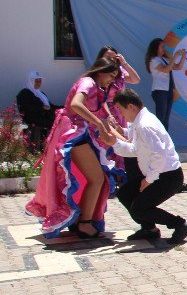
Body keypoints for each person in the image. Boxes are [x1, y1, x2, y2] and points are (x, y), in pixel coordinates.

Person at [26, 59, 123, 238]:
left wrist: (116, 130)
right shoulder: (88, 83)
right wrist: (99, 123)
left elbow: (99, 111)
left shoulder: (96, 86)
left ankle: (82, 220)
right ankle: (85, 223)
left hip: (78, 133)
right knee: (96, 178)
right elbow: (75, 105)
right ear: (101, 71)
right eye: (111, 75)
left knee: (96, 178)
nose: (112, 80)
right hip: (73, 134)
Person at [100, 89, 187, 244]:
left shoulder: (145, 125)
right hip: (158, 174)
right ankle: (149, 229)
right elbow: (135, 149)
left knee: (139, 207)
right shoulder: (139, 123)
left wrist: (149, 180)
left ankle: (180, 224)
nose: (120, 114)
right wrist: (115, 140)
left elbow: (159, 155)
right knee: (125, 194)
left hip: (167, 176)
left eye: (120, 110)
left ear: (131, 107)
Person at [145, 38, 187, 129]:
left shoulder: (164, 60)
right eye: (162, 47)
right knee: (161, 117)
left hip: (168, 91)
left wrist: (183, 56)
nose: (164, 49)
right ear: (156, 48)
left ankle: (165, 139)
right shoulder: (154, 60)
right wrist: (175, 56)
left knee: (166, 119)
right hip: (160, 91)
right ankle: (158, 138)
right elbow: (166, 69)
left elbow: (178, 67)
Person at [17, 71, 56, 152]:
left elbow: (51, 106)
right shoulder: (24, 93)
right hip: (33, 121)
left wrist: (64, 107)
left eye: (40, 81)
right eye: (36, 81)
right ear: (31, 81)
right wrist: (42, 108)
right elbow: (28, 108)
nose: (39, 83)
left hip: (44, 121)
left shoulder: (41, 93)